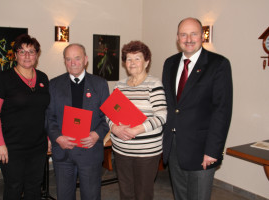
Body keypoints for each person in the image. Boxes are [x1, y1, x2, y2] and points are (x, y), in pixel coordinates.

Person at [162, 17, 233, 200]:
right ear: (177, 38)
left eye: (194, 34)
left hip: (202, 149)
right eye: (183, 34)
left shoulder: (218, 64)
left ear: (202, 36)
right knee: (180, 196)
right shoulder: (169, 63)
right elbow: (170, 105)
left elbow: (222, 111)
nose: (189, 39)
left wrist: (213, 150)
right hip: (174, 146)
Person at [0, 34, 50, 199]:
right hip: (11, 147)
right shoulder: (3, 79)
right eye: (22, 51)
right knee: (14, 187)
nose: (27, 56)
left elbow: (46, 111)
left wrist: (49, 137)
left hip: (38, 146)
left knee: (34, 187)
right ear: (15, 55)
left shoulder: (43, 78)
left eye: (31, 51)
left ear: (37, 55)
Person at [46, 43, 110, 200]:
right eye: (68, 59)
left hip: (90, 151)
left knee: (91, 196)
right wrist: (58, 137)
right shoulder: (54, 84)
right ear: (64, 61)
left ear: (86, 60)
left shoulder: (100, 84)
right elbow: (49, 116)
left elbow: (107, 117)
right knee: (64, 196)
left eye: (77, 58)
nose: (72, 63)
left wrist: (96, 135)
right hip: (63, 152)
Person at [108, 41, 167, 200]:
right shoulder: (119, 86)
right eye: (128, 59)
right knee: (126, 193)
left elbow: (161, 115)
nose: (132, 63)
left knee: (143, 194)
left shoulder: (154, 84)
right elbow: (109, 113)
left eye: (137, 58)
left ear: (146, 62)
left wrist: (136, 130)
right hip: (121, 150)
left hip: (146, 152)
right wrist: (114, 127)